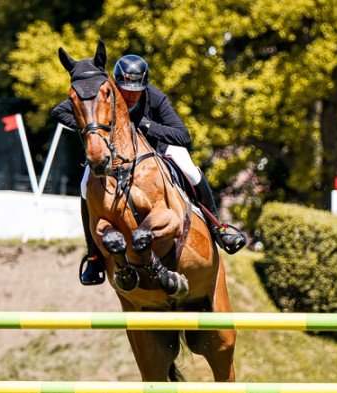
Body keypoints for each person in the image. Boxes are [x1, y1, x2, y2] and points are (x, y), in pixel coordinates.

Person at [52, 54, 246, 286]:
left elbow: (183, 136)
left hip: (157, 150)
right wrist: (90, 128)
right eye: (126, 88)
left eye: (137, 89)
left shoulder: (155, 97)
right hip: (117, 157)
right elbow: (59, 111)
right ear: (116, 84)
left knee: (190, 169)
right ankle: (94, 254)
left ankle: (217, 227)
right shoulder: (106, 94)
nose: (132, 95)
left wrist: (145, 125)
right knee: (85, 186)